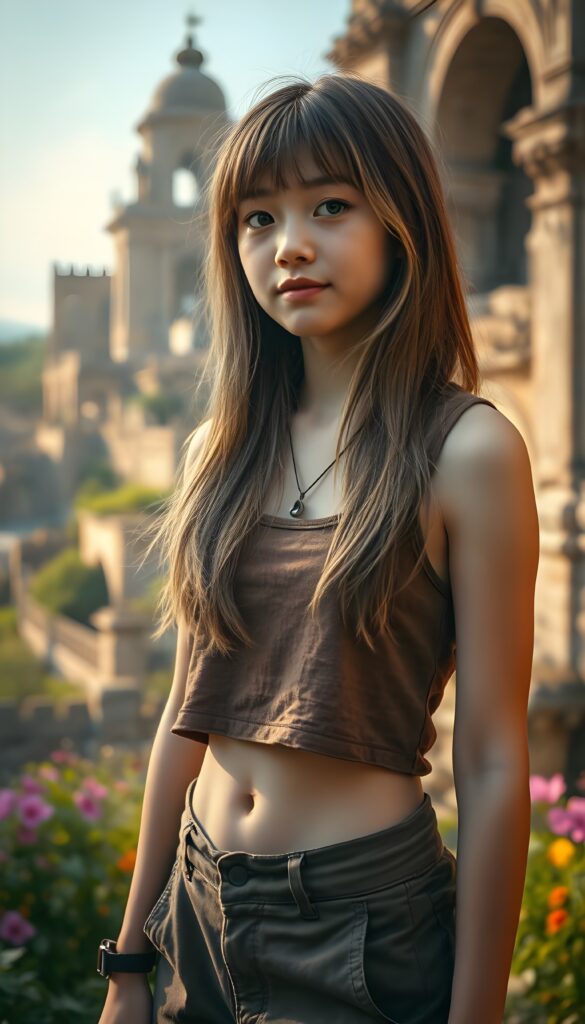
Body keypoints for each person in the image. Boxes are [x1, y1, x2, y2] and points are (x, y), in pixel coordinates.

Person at [98, 72, 539, 1024]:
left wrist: (477, 1014)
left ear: (400, 221)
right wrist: (129, 964)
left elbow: (495, 758)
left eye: (329, 206)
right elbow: (184, 719)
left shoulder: (466, 451)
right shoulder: (220, 448)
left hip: (357, 929)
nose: (289, 243)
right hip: (198, 912)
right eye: (257, 218)